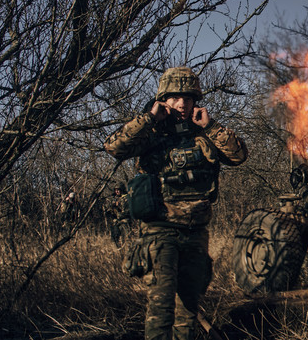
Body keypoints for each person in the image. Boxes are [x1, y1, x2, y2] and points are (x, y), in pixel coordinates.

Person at [104, 67, 248, 340]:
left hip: (196, 234)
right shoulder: (150, 133)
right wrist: (148, 118)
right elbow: (113, 147)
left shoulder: (204, 133)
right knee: (161, 309)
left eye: (188, 98)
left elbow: (239, 155)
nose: (182, 104)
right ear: (163, 100)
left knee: (188, 311)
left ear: (196, 100)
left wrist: (211, 126)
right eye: (175, 98)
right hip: (160, 233)